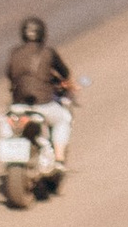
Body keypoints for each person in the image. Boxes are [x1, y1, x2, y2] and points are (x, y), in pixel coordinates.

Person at [5, 14, 78, 161]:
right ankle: (58, 158)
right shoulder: (48, 52)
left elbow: (10, 75)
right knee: (63, 119)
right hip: (43, 104)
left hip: (18, 105)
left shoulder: (14, 53)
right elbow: (65, 72)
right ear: (43, 34)